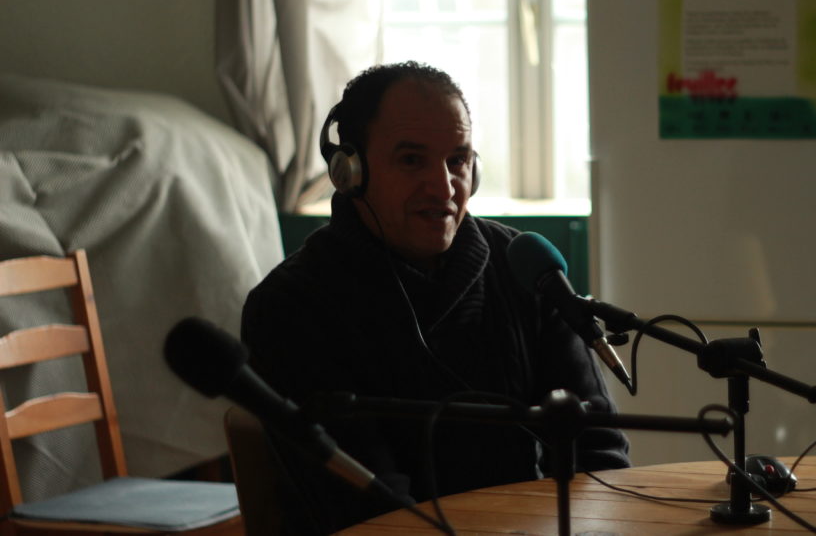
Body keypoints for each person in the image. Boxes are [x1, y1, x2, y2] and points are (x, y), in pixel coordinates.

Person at [241, 61, 630, 534]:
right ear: (350, 170)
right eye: (411, 160)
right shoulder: (292, 306)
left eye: (458, 160)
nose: (444, 187)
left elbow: (598, 451)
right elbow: (368, 505)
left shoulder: (526, 270)